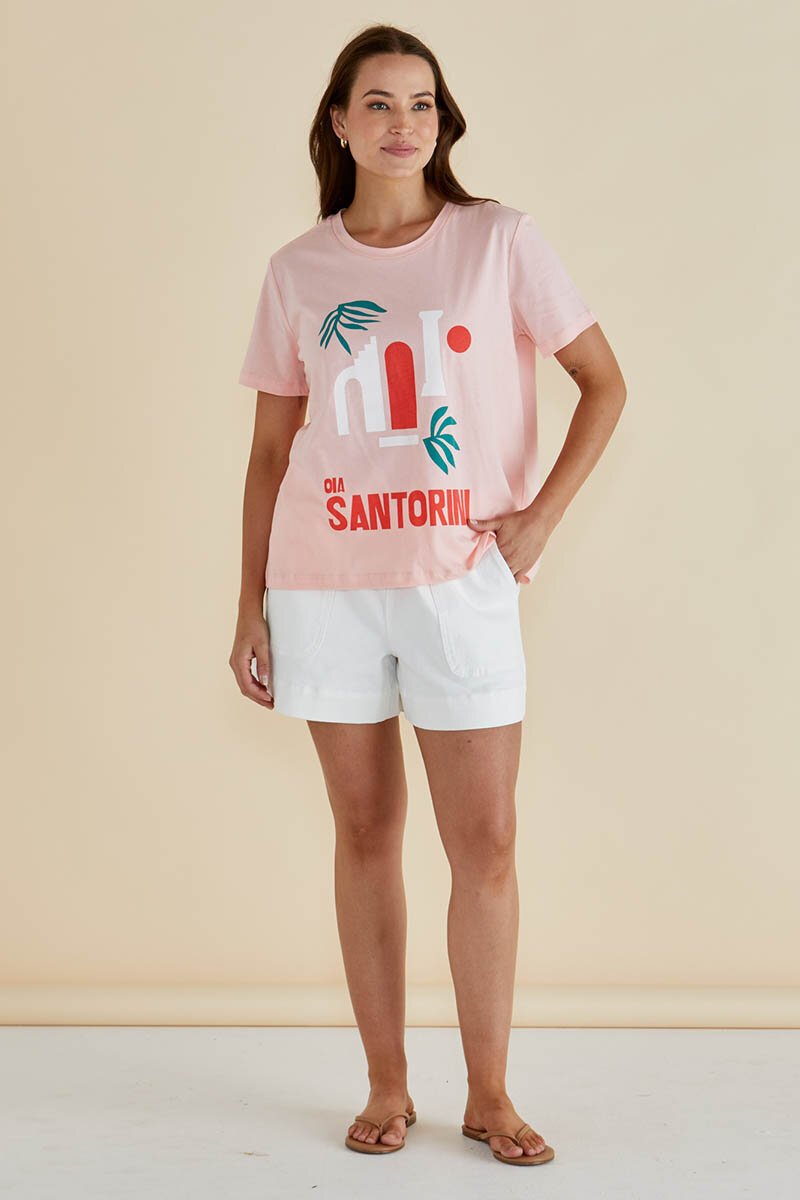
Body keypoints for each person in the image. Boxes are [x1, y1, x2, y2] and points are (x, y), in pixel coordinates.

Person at [230, 23, 626, 1167]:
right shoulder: (297, 271)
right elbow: (269, 454)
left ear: (441, 123)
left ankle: (488, 1093)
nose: (402, 123)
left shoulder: (498, 242)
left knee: (484, 840)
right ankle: (386, 1084)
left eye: (421, 104)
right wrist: (248, 604)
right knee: (363, 832)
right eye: (378, 103)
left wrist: (536, 518)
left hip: (459, 585)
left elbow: (600, 382)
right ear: (339, 124)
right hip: (323, 586)